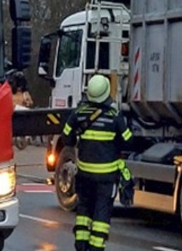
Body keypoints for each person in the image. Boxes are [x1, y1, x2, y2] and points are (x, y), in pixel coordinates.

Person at [61, 74, 133, 251]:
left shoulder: (78, 113)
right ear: (106, 92)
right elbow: (128, 141)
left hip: (84, 174)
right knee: (102, 212)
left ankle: (81, 244)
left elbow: (66, 137)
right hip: (106, 177)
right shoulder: (114, 116)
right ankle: (96, 247)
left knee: (83, 208)